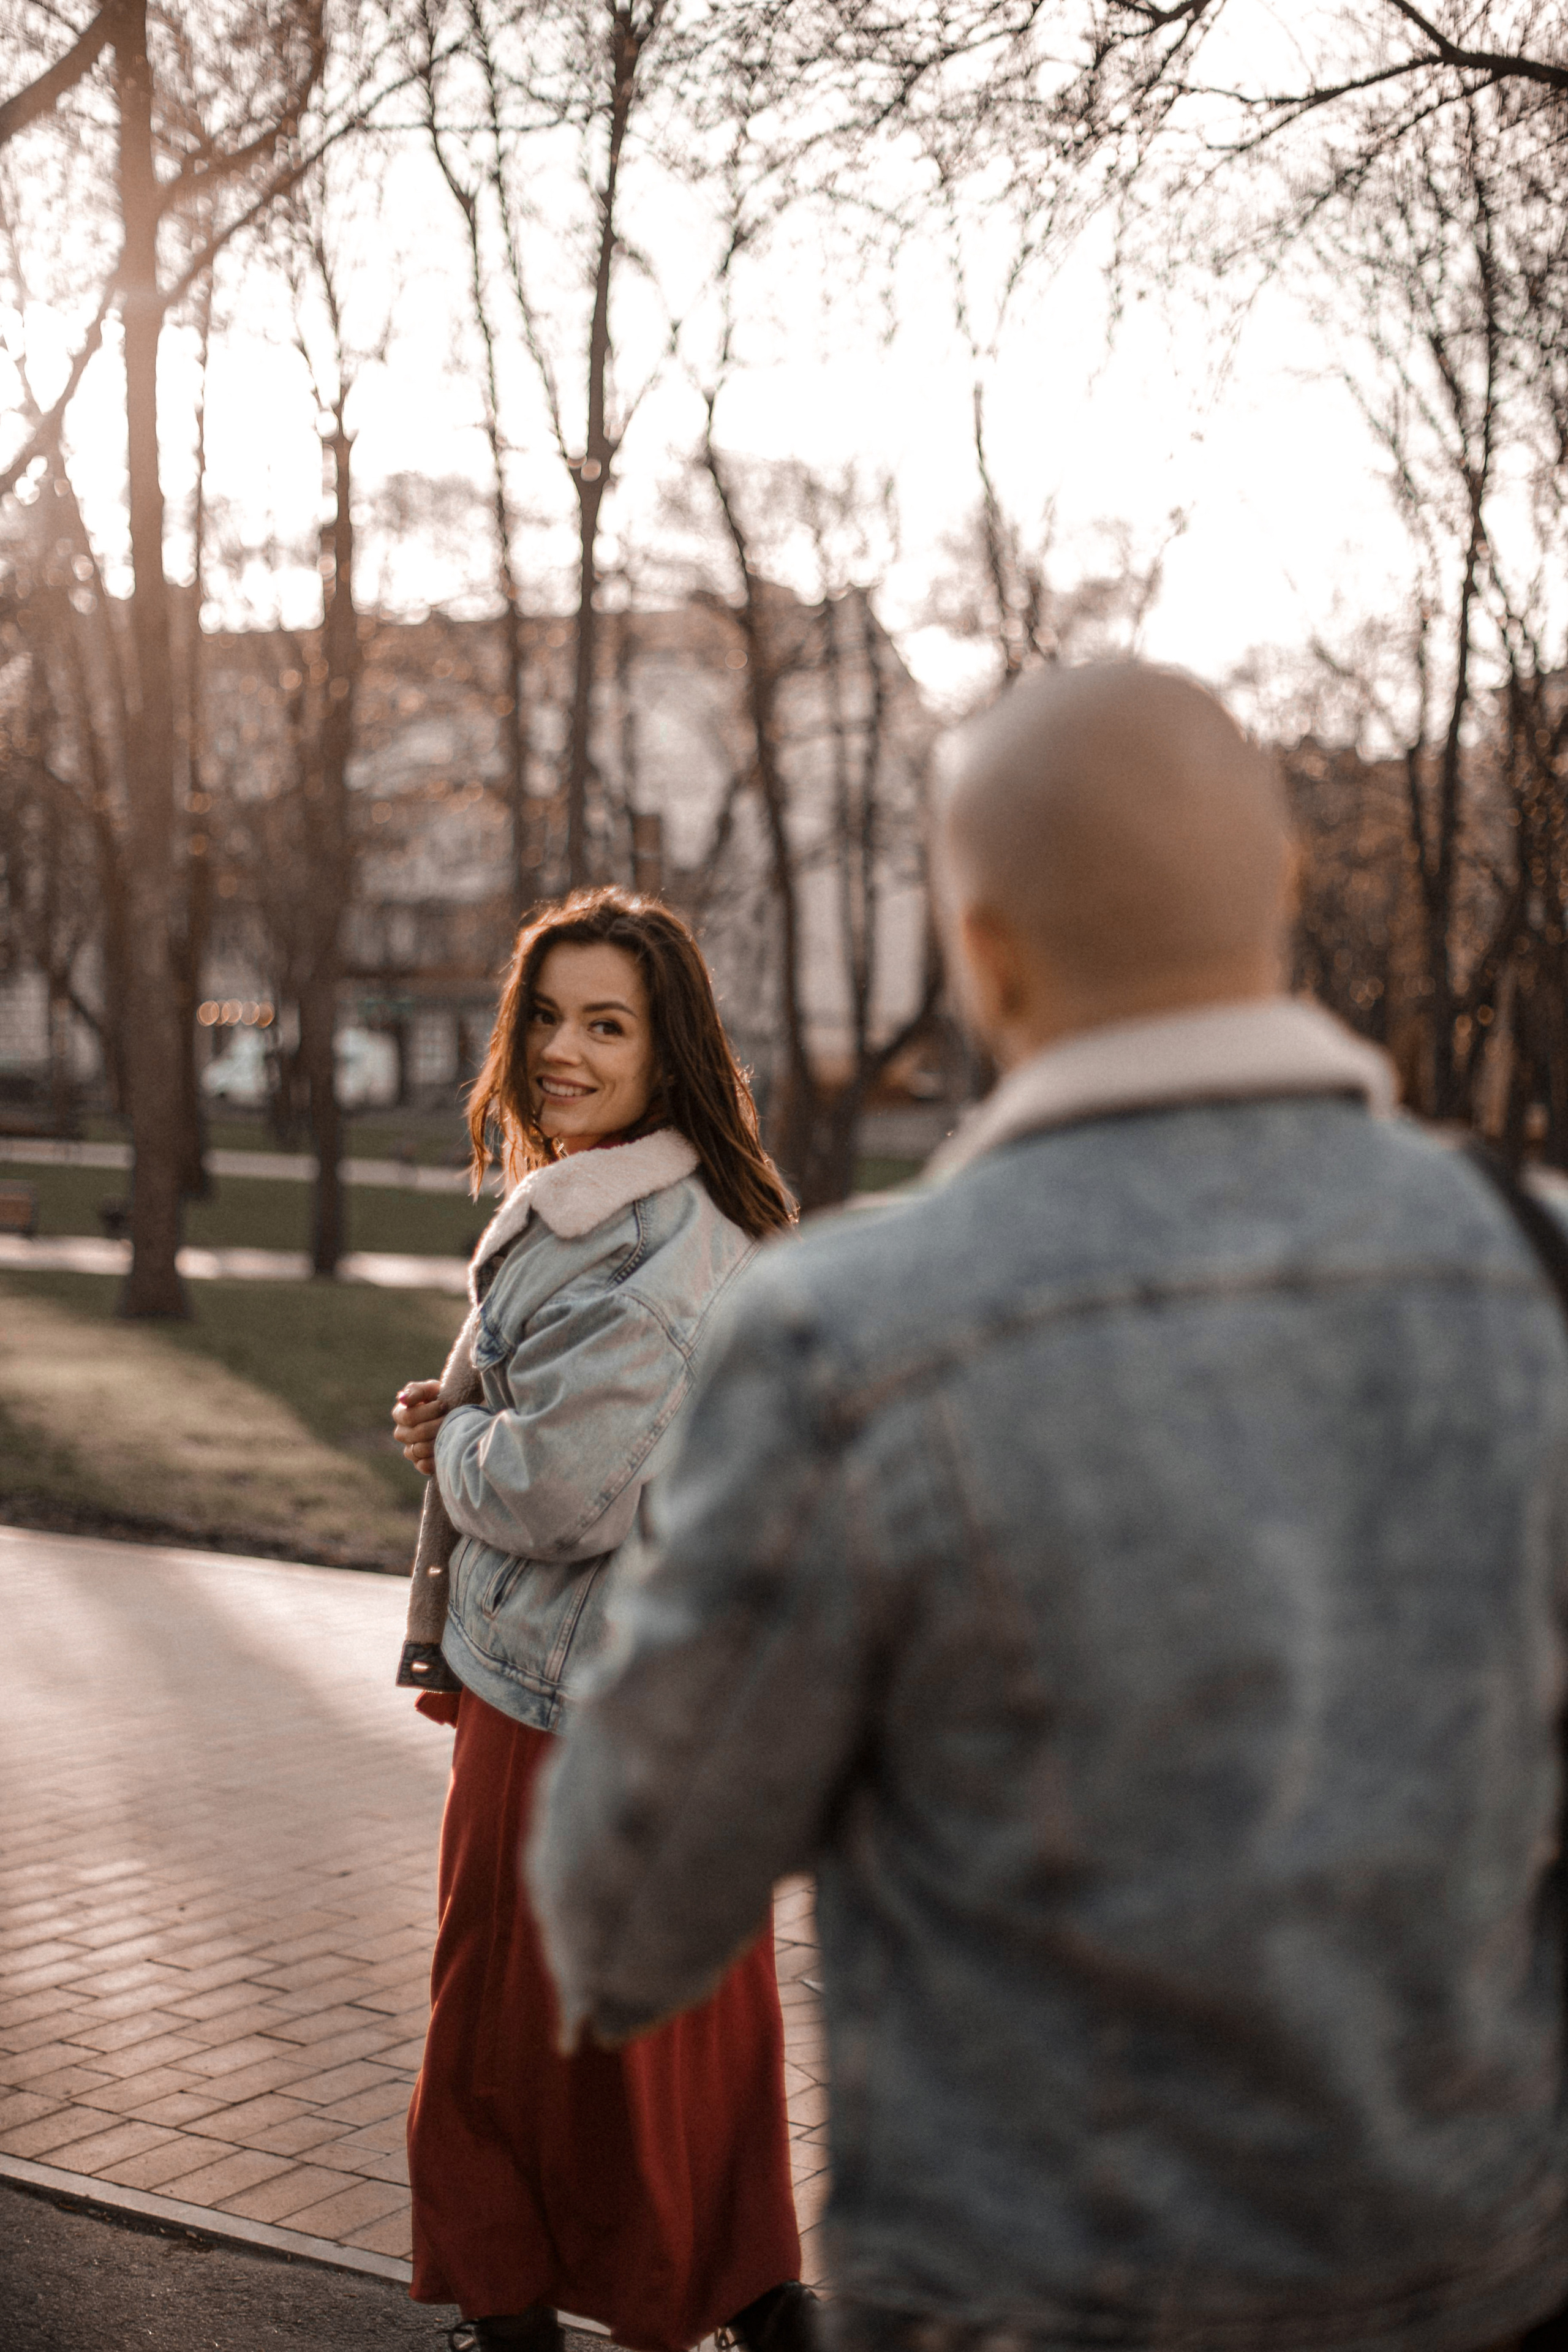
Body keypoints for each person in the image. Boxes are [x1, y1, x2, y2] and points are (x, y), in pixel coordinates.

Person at [529, 664, 1568, 2352]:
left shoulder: (843, 1342)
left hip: (1028, 2302)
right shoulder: (1537, 1273)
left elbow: (626, 1918)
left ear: (985, 950)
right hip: (1488, 2283)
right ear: (1286, 893)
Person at [390, 887, 814, 2352]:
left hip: (571, 1703)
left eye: (605, 1025)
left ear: (666, 1051)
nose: (563, 1050)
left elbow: (559, 1492)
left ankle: (514, 2311)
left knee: (506, 2019)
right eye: (545, 1018)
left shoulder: (650, 1248)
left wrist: (447, 1437)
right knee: (677, 2028)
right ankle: (753, 2300)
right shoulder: (614, 1210)